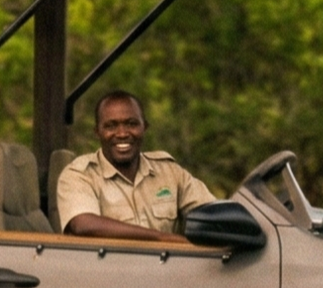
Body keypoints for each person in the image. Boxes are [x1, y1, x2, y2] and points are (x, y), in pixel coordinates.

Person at [56, 90, 218, 243]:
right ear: (97, 132)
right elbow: (84, 225)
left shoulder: (170, 172)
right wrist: (162, 239)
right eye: (111, 126)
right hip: (109, 271)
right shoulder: (79, 174)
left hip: (169, 270)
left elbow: (215, 215)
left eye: (131, 124)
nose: (122, 133)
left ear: (144, 127)